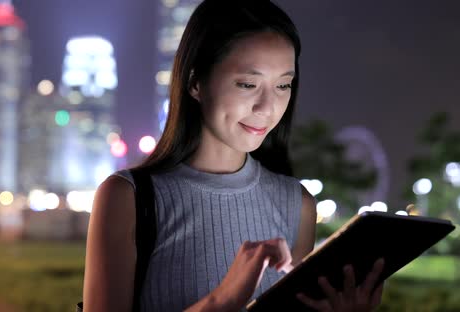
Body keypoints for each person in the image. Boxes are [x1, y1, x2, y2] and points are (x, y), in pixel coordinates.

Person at [83, 0, 385, 311]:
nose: (267, 107)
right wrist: (221, 301)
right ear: (195, 82)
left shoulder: (298, 205)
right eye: (247, 84)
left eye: (283, 85)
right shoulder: (128, 198)